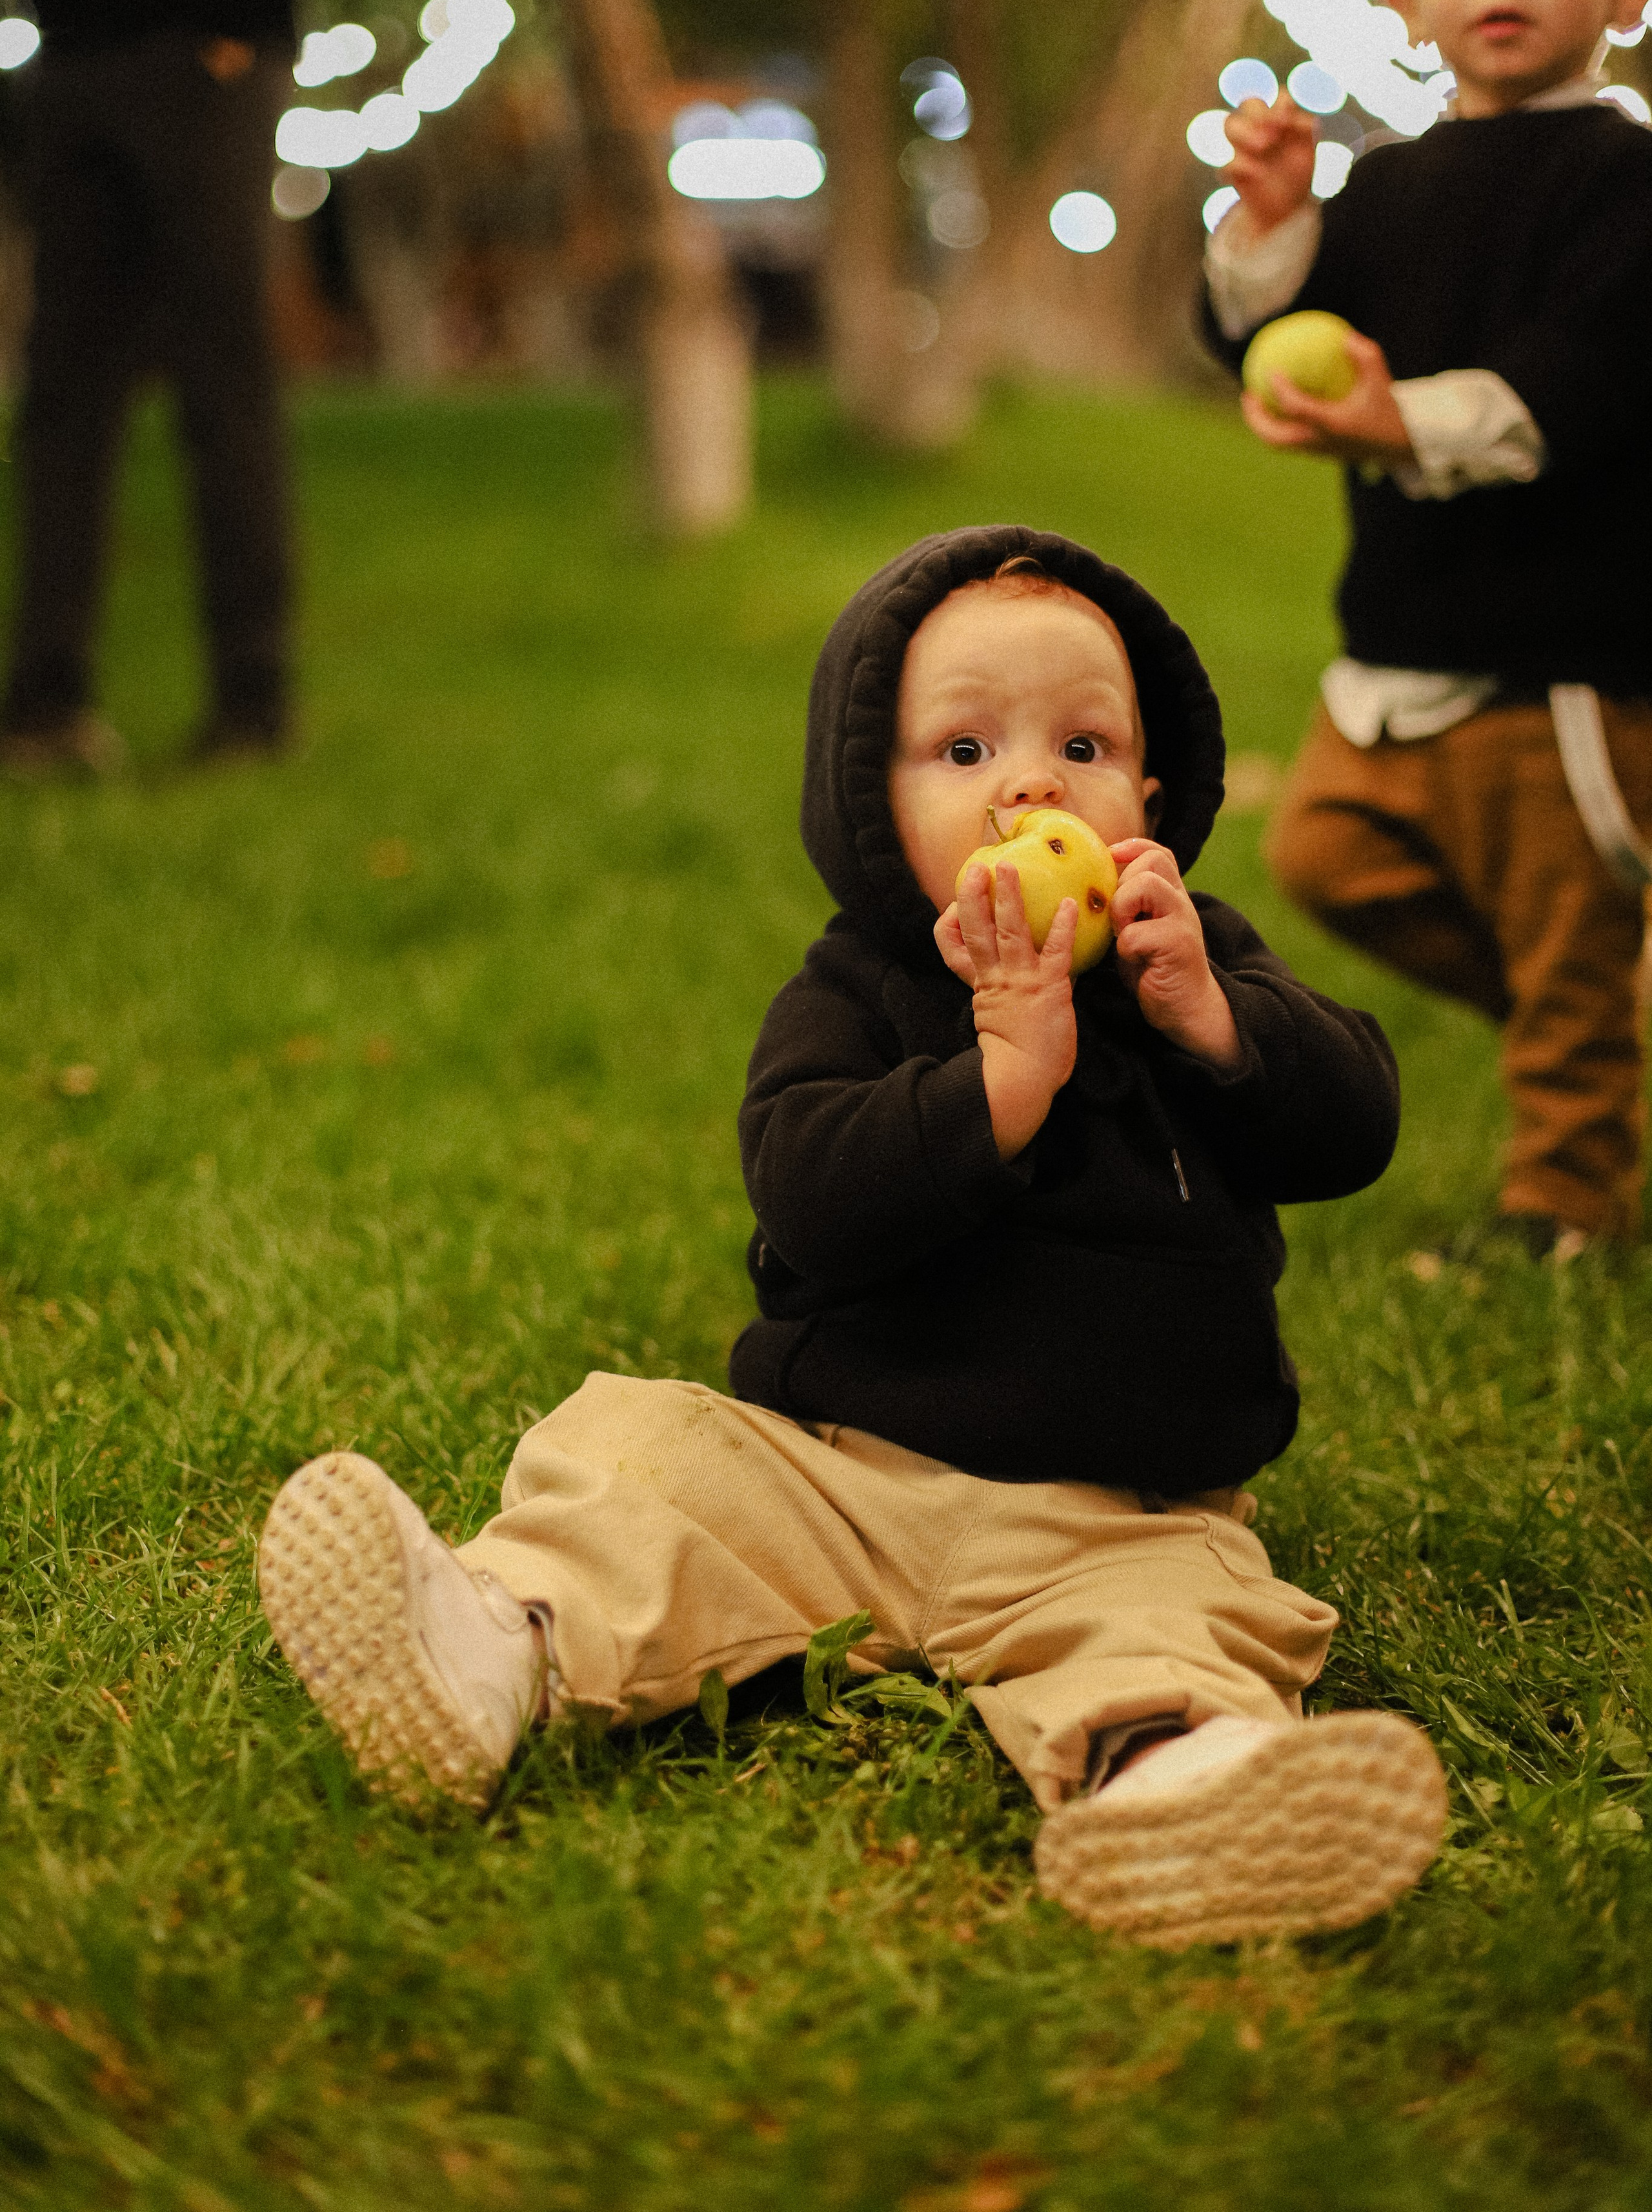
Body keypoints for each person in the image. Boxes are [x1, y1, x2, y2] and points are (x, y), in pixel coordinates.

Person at [257, 524, 1447, 1951]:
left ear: (1150, 787)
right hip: (836, 1481)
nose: (1028, 785)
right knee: (642, 1461)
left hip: (1110, 1517)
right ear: (870, 805)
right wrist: (996, 1087)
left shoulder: (1188, 966)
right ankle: (489, 1648)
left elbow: (1356, 1123)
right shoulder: (854, 992)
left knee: (1179, 1621)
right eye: (962, 752)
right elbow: (808, 1194)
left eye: (1083, 745)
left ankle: (1182, 1784)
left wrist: (1222, 1022)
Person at [1205, 0, 1652, 1256]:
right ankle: (1577, 1010)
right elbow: (1248, 332)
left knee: (1561, 913)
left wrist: (1400, 420)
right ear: (1401, 0)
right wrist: (1270, 228)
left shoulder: (1623, 181)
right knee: (1324, 850)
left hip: (1561, 659)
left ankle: (1561, 1206)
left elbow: (1584, 381)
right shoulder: (1384, 190)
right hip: (1395, 646)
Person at [0, 0, 322, 776]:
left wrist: (229, 28)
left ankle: (251, 704)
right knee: (62, 395)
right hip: (78, 58)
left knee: (221, 384)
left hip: (199, 60)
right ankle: (46, 708)